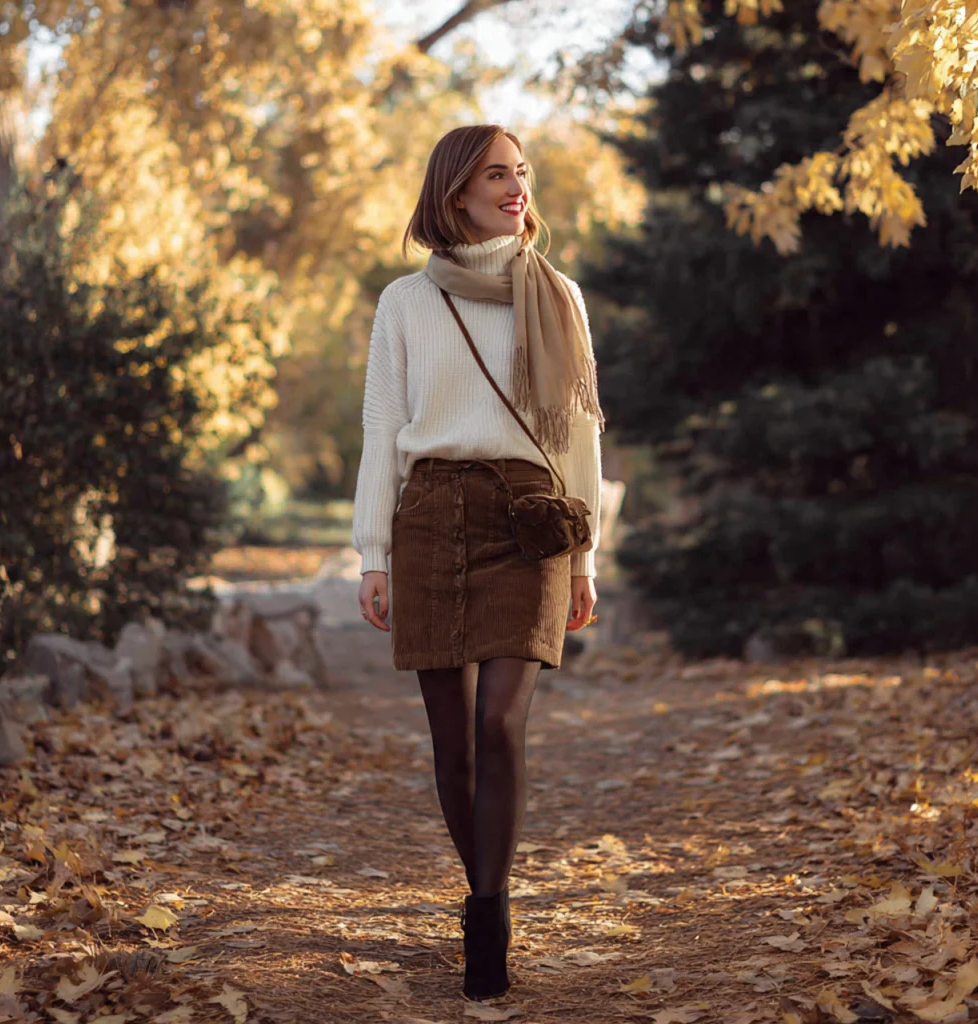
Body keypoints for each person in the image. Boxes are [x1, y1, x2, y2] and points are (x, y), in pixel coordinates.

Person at [351, 124, 605, 1002]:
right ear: (456, 190)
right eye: (498, 173)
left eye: (522, 173)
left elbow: (580, 436)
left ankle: (486, 914)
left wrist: (585, 561)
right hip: (428, 518)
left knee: (500, 722)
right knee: (451, 743)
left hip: (529, 521)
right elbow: (382, 428)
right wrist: (373, 552)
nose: (516, 187)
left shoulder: (558, 294)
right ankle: (483, 890)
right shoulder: (405, 302)